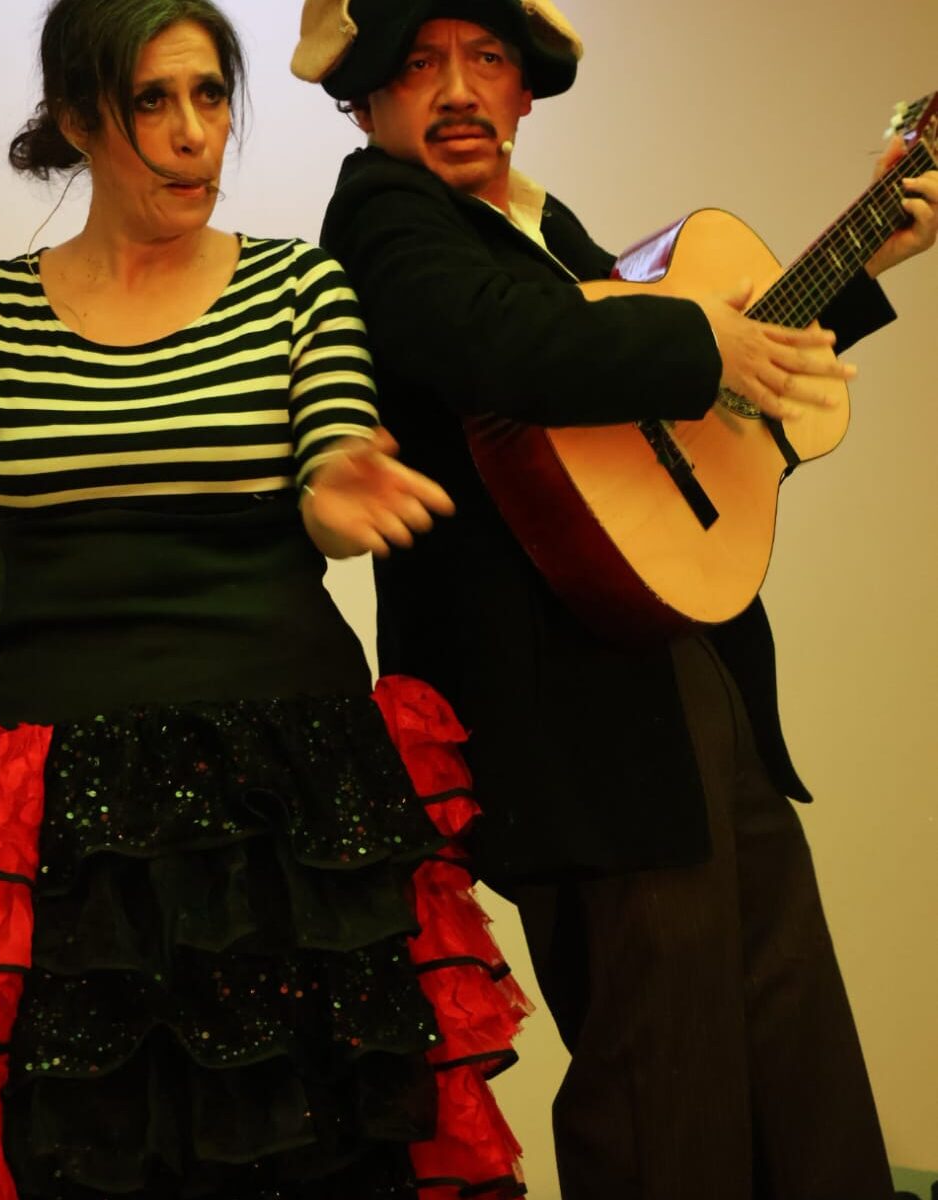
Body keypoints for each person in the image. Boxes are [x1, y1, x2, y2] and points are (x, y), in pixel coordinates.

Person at [0, 2, 534, 1197]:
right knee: (92, 1150)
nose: (193, 133)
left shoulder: (297, 285)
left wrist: (340, 486)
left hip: (290, 794)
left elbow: (333, 469)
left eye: (212, 96)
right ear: (79, 119)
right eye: (152, 100)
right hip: (71, 807)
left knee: (322, 1152)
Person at [291, 1, 938, 1197]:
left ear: (524, 90)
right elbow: (509, 349)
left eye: (486, 59)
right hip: (568, 710)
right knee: (662, 1079)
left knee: (784, 1016)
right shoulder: (383, 216)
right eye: (420, 64)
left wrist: (861, 262)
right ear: (367, 98)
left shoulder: (545, 229)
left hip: (678, 661)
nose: (457, 89)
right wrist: (702, 346)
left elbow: (671, 406)